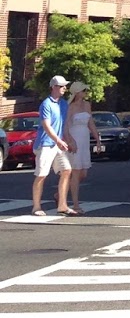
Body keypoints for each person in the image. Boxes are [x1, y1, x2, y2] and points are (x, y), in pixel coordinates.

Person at [30, 74, 72, 218]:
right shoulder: (46, 104)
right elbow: (47, 126)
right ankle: (36, 207)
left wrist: (68, 140)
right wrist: (59, 141)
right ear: (53, 87)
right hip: (45, 145)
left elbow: (64, 125)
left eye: (65, 86)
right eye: (62, 86)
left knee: (66, 170)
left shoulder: (63, 104)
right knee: (42, 174)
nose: (64, 88)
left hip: (57, 144)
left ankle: (62, 205)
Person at [64, 80, 101, 216]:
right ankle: (75, 204)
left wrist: (97, 139)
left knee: (83, 173)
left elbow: (91, 123)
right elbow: (66, 125)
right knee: (76, 172)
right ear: (77, 92)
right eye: (83, 90)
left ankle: (60, 193)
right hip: (75, 139)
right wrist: (70, 140)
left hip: (84, 139)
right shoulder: (70, 107)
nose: (86, 93)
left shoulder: (87, 105)